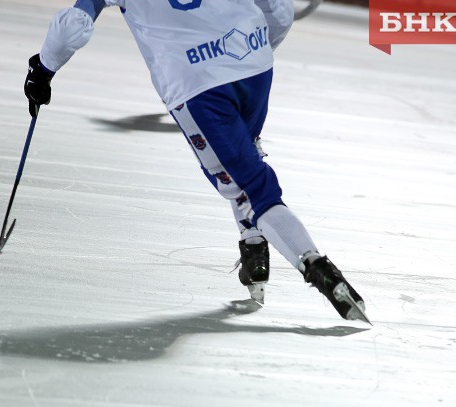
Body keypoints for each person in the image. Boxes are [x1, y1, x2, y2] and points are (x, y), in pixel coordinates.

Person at [24, 0, 369, 322]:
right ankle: (252, 249)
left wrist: (43, 69)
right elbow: (279, 11)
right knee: (245, 155)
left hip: (197, 85)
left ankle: (317, 266)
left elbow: (75, 26)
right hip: (253, 65)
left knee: (250, 185)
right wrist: (249, 52)